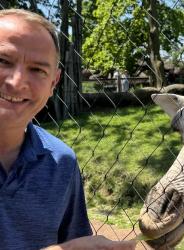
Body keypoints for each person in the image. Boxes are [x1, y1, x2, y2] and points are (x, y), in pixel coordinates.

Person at [0, 8, 136, 250]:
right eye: (3, 61)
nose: (17, 82)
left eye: (37, 70)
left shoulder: (61, 162)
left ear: (54, 83)